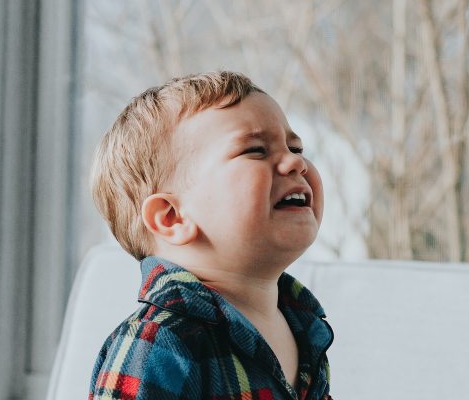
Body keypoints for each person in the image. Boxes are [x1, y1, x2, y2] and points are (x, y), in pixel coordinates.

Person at [88, 71, 333, 400]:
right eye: (256, 150)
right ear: (172, 217)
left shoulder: (304, 326)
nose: (295, 162)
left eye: (296, 147)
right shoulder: (157, 341)